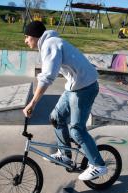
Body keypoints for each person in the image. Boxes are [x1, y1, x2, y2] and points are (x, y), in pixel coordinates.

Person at [22, 21, 107, 181]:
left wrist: (32, 103)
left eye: (26, 37)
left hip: (85, 88)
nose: (25, 41)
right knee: (56, 118)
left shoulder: (50, 44)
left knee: (76, 129)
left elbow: (47, 77)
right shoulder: (50, 43)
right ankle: (65, 154)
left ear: (34, 36)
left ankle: (98, 165)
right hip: (75, 86)